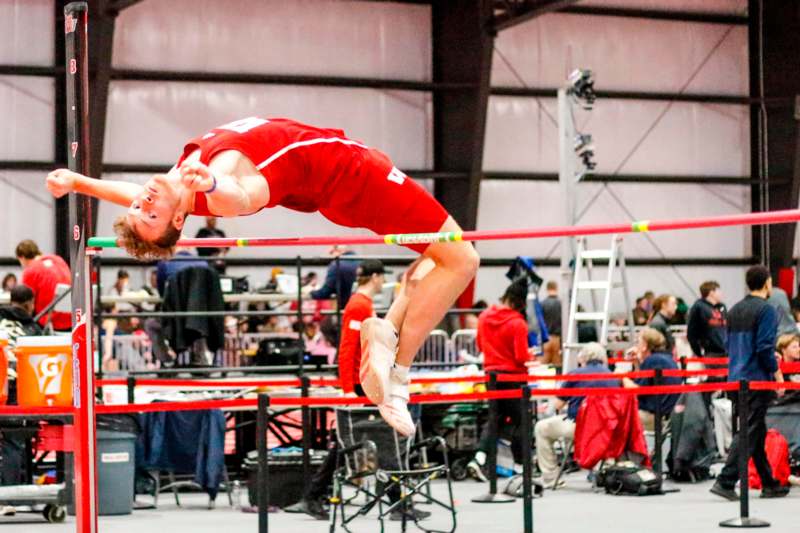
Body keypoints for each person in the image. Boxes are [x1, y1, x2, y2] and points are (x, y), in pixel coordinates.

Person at [45, 116, 480, 435]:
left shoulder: (177, 185)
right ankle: (400, 375)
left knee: (436, 257)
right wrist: (215, 183)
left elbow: (130, 194)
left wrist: (79, 182)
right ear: (179, 220)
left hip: (337, 179)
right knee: (463, 260)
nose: (144, 201)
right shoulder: (208, 194)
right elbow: (241, 197)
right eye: (151, 211)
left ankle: (386, 331)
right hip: (356, 176)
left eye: (141, 208)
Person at [287, 259, 430, 522]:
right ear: (375, 277)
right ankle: (397, 503)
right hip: (360, 384)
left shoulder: (361, 304)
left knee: (349, 443)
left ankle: (315, 495)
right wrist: (348, 388)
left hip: (363, 382)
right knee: (380, 440)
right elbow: (348, 347)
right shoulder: (359, 305)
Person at [710, 265, 789, 500]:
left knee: (755, 430)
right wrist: (776, 373)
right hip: (756, 380)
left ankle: (769, 482)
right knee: (749, 430)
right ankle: (725, 480)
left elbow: (727, 345)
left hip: (735, 378)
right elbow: (764, 347)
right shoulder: (766, 310)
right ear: (767, 283)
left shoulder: (733, 310)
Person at [467, 279, 534, 482]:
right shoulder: (518, 323)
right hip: (513, 377)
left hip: (491, 375)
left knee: (494, 418)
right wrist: (531, 356)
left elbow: (480, 345)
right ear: (520, 303)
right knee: (521, 421)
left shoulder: (484, 316)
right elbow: (521, 356)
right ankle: (522, 468)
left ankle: (478, 458)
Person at [534, 342, 619, 488]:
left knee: (541, 428)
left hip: (578, 426)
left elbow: (557, 405)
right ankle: (605, 469)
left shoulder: (575, 374)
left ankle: (550, 478)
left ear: (582, 358)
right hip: (606, 428)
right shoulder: (613, 377)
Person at [621, 328, 681, 431]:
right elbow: (643, 383)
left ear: (644, 346)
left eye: (638, 342)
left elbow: (636, 391)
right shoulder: (665, 358)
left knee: (616, 416)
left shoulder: (652, 360)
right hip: (667, 414)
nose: (636, 346)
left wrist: (621, 376)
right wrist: (637, 362)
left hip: (654, 416)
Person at [14, 240, 71, 331]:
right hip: (72, 319)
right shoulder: (59, 260)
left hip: (49, 321)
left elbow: (24, 299)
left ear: (22, 257)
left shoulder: (30, 270)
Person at [309, 245, 359, 310]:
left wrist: (311, 292)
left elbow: (325, 292)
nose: (331, 257)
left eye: (331, 252)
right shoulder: (361, 261)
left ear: (338, 250)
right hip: (362, 304)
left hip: (346, 308)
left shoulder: (336, 265)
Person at [686, 281, 727, 358]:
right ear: (711, 292)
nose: (721, 294)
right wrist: (698, 352)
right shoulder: (698, 307)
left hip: (725, 351)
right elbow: (691, 333)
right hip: (711, 352)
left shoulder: (722, 307)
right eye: (719, 291)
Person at [540, 280, 562, 367]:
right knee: (558, 369)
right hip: (558, 340)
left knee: (542, 369)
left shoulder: (542, 304)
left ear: (547, 289)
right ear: (556, 288)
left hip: (546, 340)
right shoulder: (562, 304)